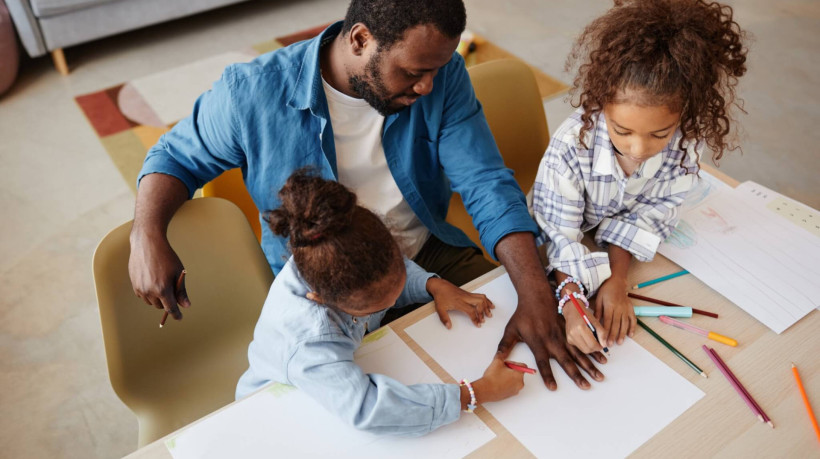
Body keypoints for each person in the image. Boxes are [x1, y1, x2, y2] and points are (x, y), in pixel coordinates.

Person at [129, 0, 605, 390]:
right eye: (413, 71)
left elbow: (485, 183)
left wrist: (535, 292)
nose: (428, 86)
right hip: (332, 286)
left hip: (427, 257)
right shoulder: (249, 93)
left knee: (520, 351)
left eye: (437, 70)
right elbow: (173, 159)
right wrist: (147, 234)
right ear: (360, 39)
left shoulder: (443, 76)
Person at [235, 170, 525, 434]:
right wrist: (478, 392)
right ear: (323, 300)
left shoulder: (331, 253)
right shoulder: (311, 339)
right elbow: (371, 410)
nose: (392, 298)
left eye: (398, 275)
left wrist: (431, 284)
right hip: (277, 410)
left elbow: (387, 274)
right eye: (377, 307)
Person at [531, 0, 748, 353]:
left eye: (659, 134)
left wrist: (617, 280)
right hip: (556, 245)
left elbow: (649, 214)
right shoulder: (572, 145)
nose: (637, 149)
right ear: (603, 101)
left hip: (609, 249)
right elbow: (558, 233)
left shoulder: (684, 145)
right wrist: (569, 300)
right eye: (622, 130)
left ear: (683, 115)